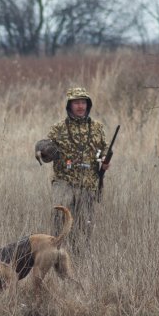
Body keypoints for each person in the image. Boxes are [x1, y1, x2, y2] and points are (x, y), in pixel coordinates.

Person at [35, 87, 110, 254]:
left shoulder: (97, 127)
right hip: (64, 182)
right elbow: (46, 150)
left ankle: (81, 258)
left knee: (85, 225)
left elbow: (103, 149)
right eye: (76, 103)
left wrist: (104, 159)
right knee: (59, 221)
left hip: (88, 184)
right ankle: (57, 256)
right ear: (69, 105)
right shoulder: (58, 128)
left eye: (83, 102)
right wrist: (43, 151)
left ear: (88, 104)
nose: (80, 106)